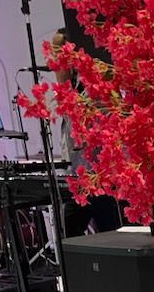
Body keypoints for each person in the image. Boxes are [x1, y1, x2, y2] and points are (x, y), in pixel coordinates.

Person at [48, 29, 122, 237]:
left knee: (111, 235)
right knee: (70, 239)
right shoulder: (69, 88)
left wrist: (64, 84)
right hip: (77, 178)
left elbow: (83, 127)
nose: (55, 61)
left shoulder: (91, 86)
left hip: (99, 177)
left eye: (58, 53)